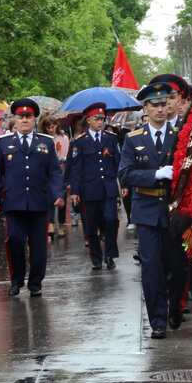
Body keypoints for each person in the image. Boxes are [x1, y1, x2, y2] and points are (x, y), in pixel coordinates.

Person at [118, 82, 187, 339]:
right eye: (155, 105)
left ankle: (175, 305)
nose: (160, 109)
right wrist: (154, 174)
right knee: (151, 267)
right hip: (146, 210)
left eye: (164, 103)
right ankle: (157, 320)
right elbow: (124, 175)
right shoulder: (133, 139)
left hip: (175, 211)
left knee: (178, 266)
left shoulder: (181, 134)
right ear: (145, 108)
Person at [0, 99, 64, 297]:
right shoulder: (4, 143)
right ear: (15, 119)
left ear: (34, 119)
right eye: (20, 117)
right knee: (15, 241)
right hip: (14, 202)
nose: (24, 120)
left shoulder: (45, 142)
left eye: (28, 117)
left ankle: (35, 282)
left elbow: (54, 172)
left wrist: (58, 193)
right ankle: (16, 280)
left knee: (38, 246)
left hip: (39, 201)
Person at [67, 102, 122, 270]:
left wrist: (123, 183)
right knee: (90, 225)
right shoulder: (79, 142)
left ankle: (110, 254)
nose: (100, 122)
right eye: (97, 119)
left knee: (112, 219)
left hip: (108, 187)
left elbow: (118, 162)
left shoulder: (110, 139)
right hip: (88, 189)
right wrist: (74, 191)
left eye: (102, 119)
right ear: (89, 121)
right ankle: (96, 257)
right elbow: (74, 168)